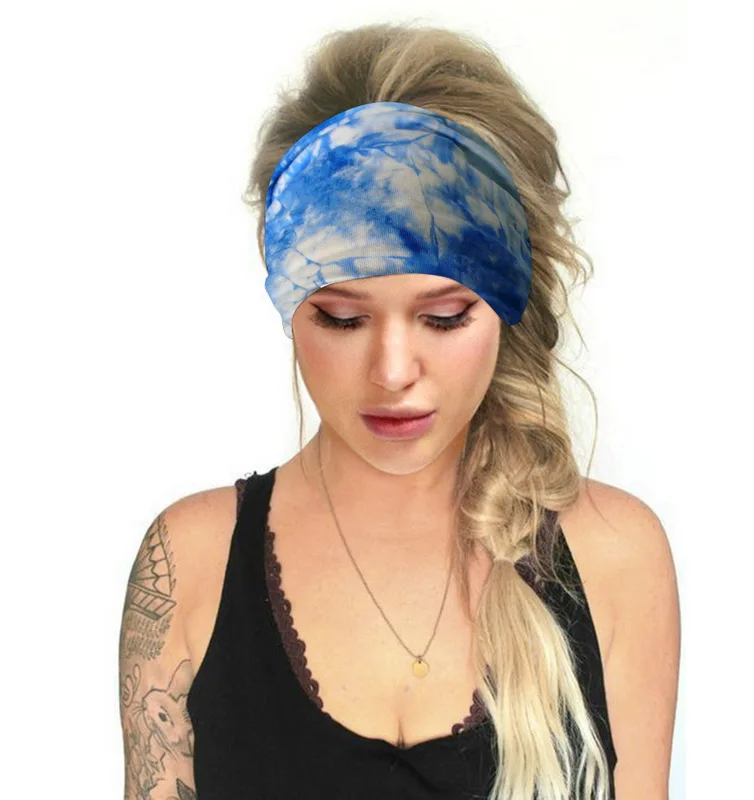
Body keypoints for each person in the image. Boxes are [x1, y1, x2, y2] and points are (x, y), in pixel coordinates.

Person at [117, 22, 680, 800]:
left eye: (443, 318)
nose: (391, 372)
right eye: (342, 319)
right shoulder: (192, 564)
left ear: (508, 302)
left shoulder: (615, 555)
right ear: (288, 304)